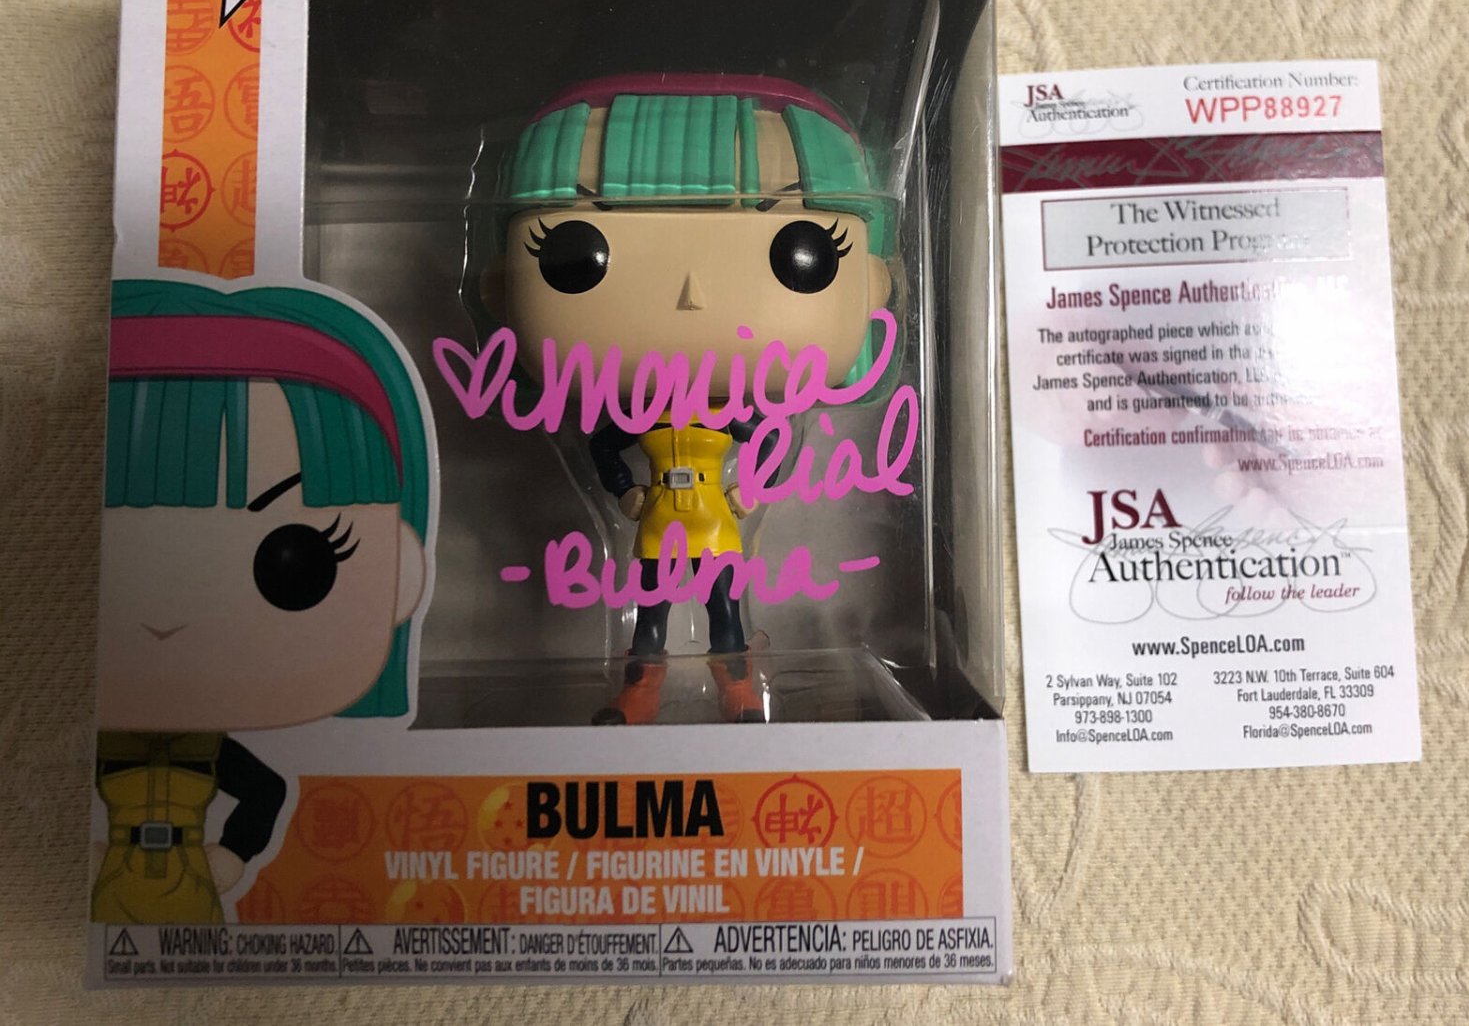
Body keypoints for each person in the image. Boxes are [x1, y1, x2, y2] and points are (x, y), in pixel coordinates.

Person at [484, 75, 893, 723]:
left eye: (801, 253)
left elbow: (767, 438)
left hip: (715, 523)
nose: (692, 292)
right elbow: (606, 446)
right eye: (575, 255)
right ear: (500, 288)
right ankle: (641, 689)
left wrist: (750, 488)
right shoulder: (637, 414)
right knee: (650, 614)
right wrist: (625, 489)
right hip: (656, 524)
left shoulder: (731, 413)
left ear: (874, 281)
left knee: (724, 609)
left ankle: (737, 688)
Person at [93, 278, 432, 923]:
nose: (168, 618)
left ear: (405, 571)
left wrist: (234, 852)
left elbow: (266, 790)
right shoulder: (102, 743)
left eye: (295, 562)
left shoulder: (205, 749)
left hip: (190, 885)